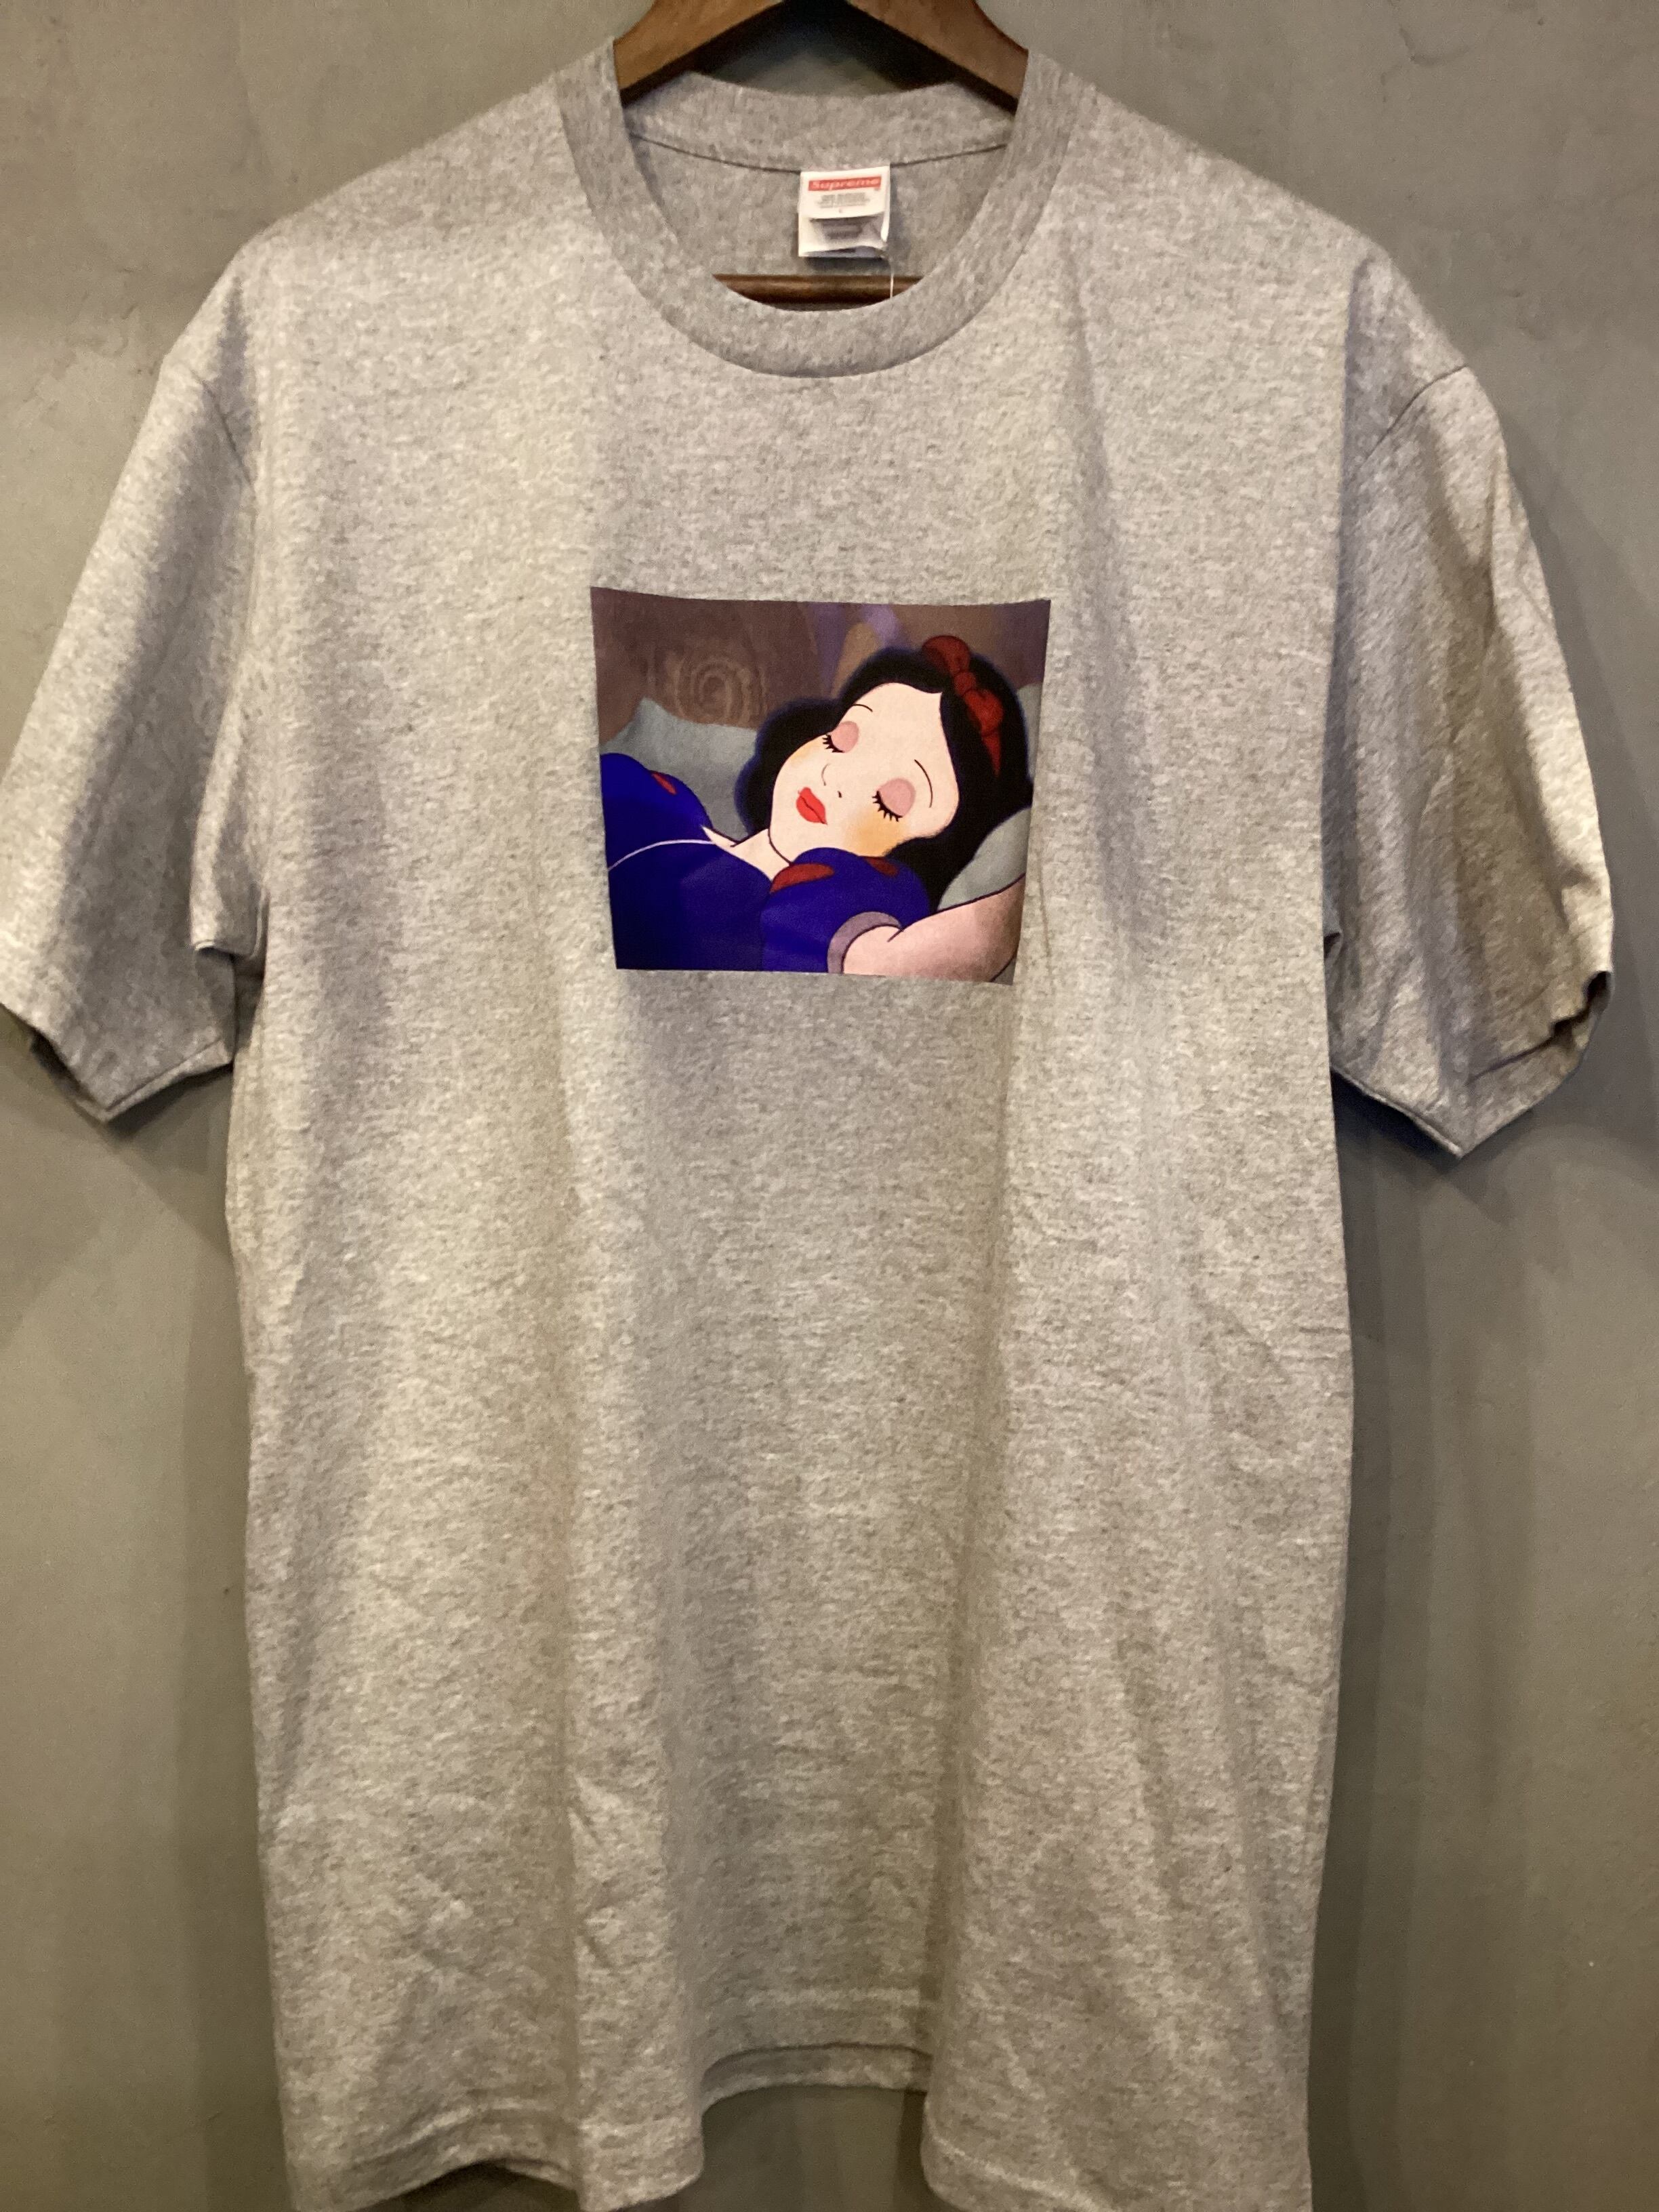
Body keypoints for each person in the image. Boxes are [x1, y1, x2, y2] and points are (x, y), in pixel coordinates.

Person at [600, 634, 1034, 979]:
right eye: (842, 740)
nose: (835, 779)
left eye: (889, 802)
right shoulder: (658, 805)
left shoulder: (819, 905)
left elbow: (901, 959)